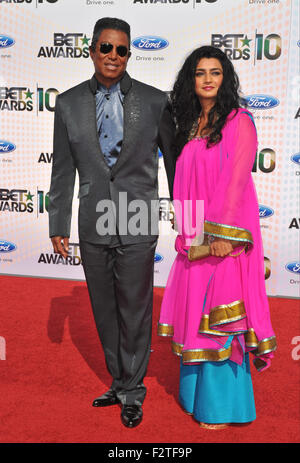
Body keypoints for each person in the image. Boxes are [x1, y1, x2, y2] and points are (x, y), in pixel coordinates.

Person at [48, 17, 175, 428]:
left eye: (122, 50)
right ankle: (119, 381)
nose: (113, 56)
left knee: (135, 310)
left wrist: (190, 219)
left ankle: (134, 391)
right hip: (94, 220)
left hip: (137, 218)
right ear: (92, 50)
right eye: (106, 48)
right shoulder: (67, 103)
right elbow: (63, 171)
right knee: (104, 309)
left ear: (129, 55)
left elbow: (176, 166)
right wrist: (58, 222)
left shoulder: (156, 102)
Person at [158, 46, 277, 429]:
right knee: (196, 316)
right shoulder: (189, 125)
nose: (207, 79)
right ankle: (195, 396)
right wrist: (189, 236)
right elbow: (183, 184)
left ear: (225, 78)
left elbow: (236, 180)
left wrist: (222, 237)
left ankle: (224, 406)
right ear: (190, 81)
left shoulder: (239, 120)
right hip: (196, 239)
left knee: (220, 321)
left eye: (215, 72)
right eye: (199, 72)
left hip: (227, 239)